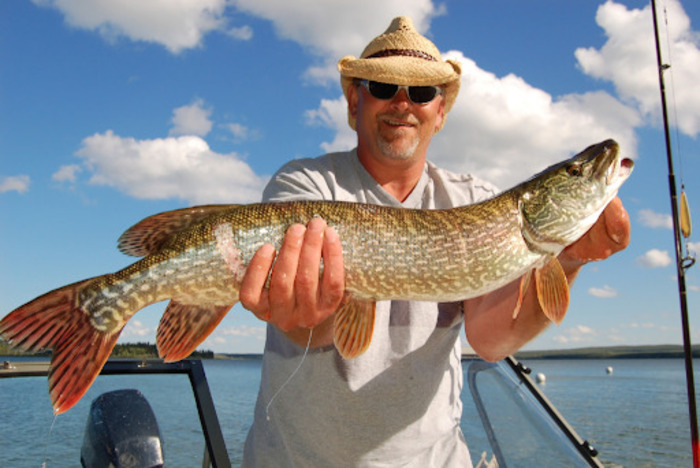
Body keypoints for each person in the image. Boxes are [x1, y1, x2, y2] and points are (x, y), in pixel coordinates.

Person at [240, 16, 630, 467]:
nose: (403, 103)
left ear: (440, 111)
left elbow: (490, 339)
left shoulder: (471, 200)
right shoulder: (305, 185)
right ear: (354, 101)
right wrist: (306, 317)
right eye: (383, 88)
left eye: (423, 93)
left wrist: (570, 258)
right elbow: (305, 323)